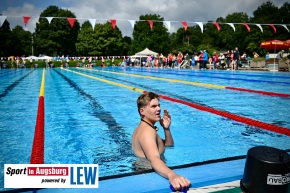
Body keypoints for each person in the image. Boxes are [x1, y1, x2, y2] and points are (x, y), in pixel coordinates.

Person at [132, 92, 191, 191]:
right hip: (149, 175)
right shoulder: (147, 132)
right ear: (142, 111)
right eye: (153, 106)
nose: (158, 109)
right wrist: (172, 175)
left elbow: (167, 145)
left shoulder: (145, 128)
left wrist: (166, 129)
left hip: (144, 171)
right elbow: (154, 159)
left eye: (158, 105)